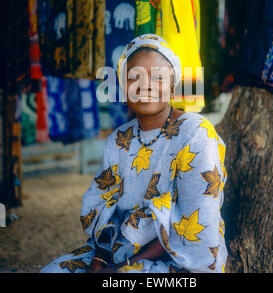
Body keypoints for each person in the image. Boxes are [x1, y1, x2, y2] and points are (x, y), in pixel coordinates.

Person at [40, 34, 228, 273]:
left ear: (173, 86)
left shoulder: (195, 134)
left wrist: (123, 266)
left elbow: (195, 219)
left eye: (158, 77)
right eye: (133, 77)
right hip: (121, 248)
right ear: (122, 87)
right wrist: (100, 263)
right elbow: (105, 210)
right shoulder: (119, 141)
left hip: (181, 257)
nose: (145, 85)